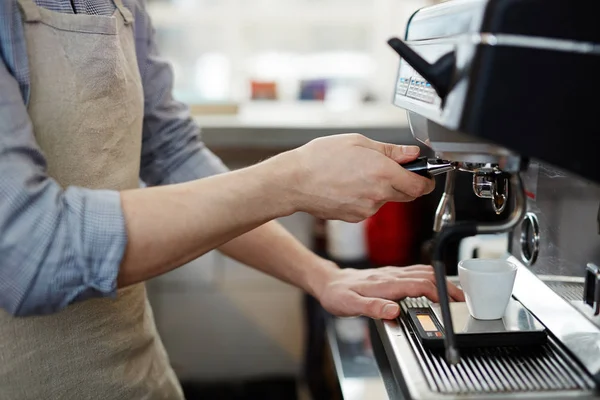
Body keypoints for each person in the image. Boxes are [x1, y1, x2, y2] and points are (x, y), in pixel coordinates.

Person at [0, 0, 464, 398]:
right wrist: (290, 180)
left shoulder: (126, 7)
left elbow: (172, 153)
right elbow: (29, 253)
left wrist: (323, 275)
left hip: (136, 375)